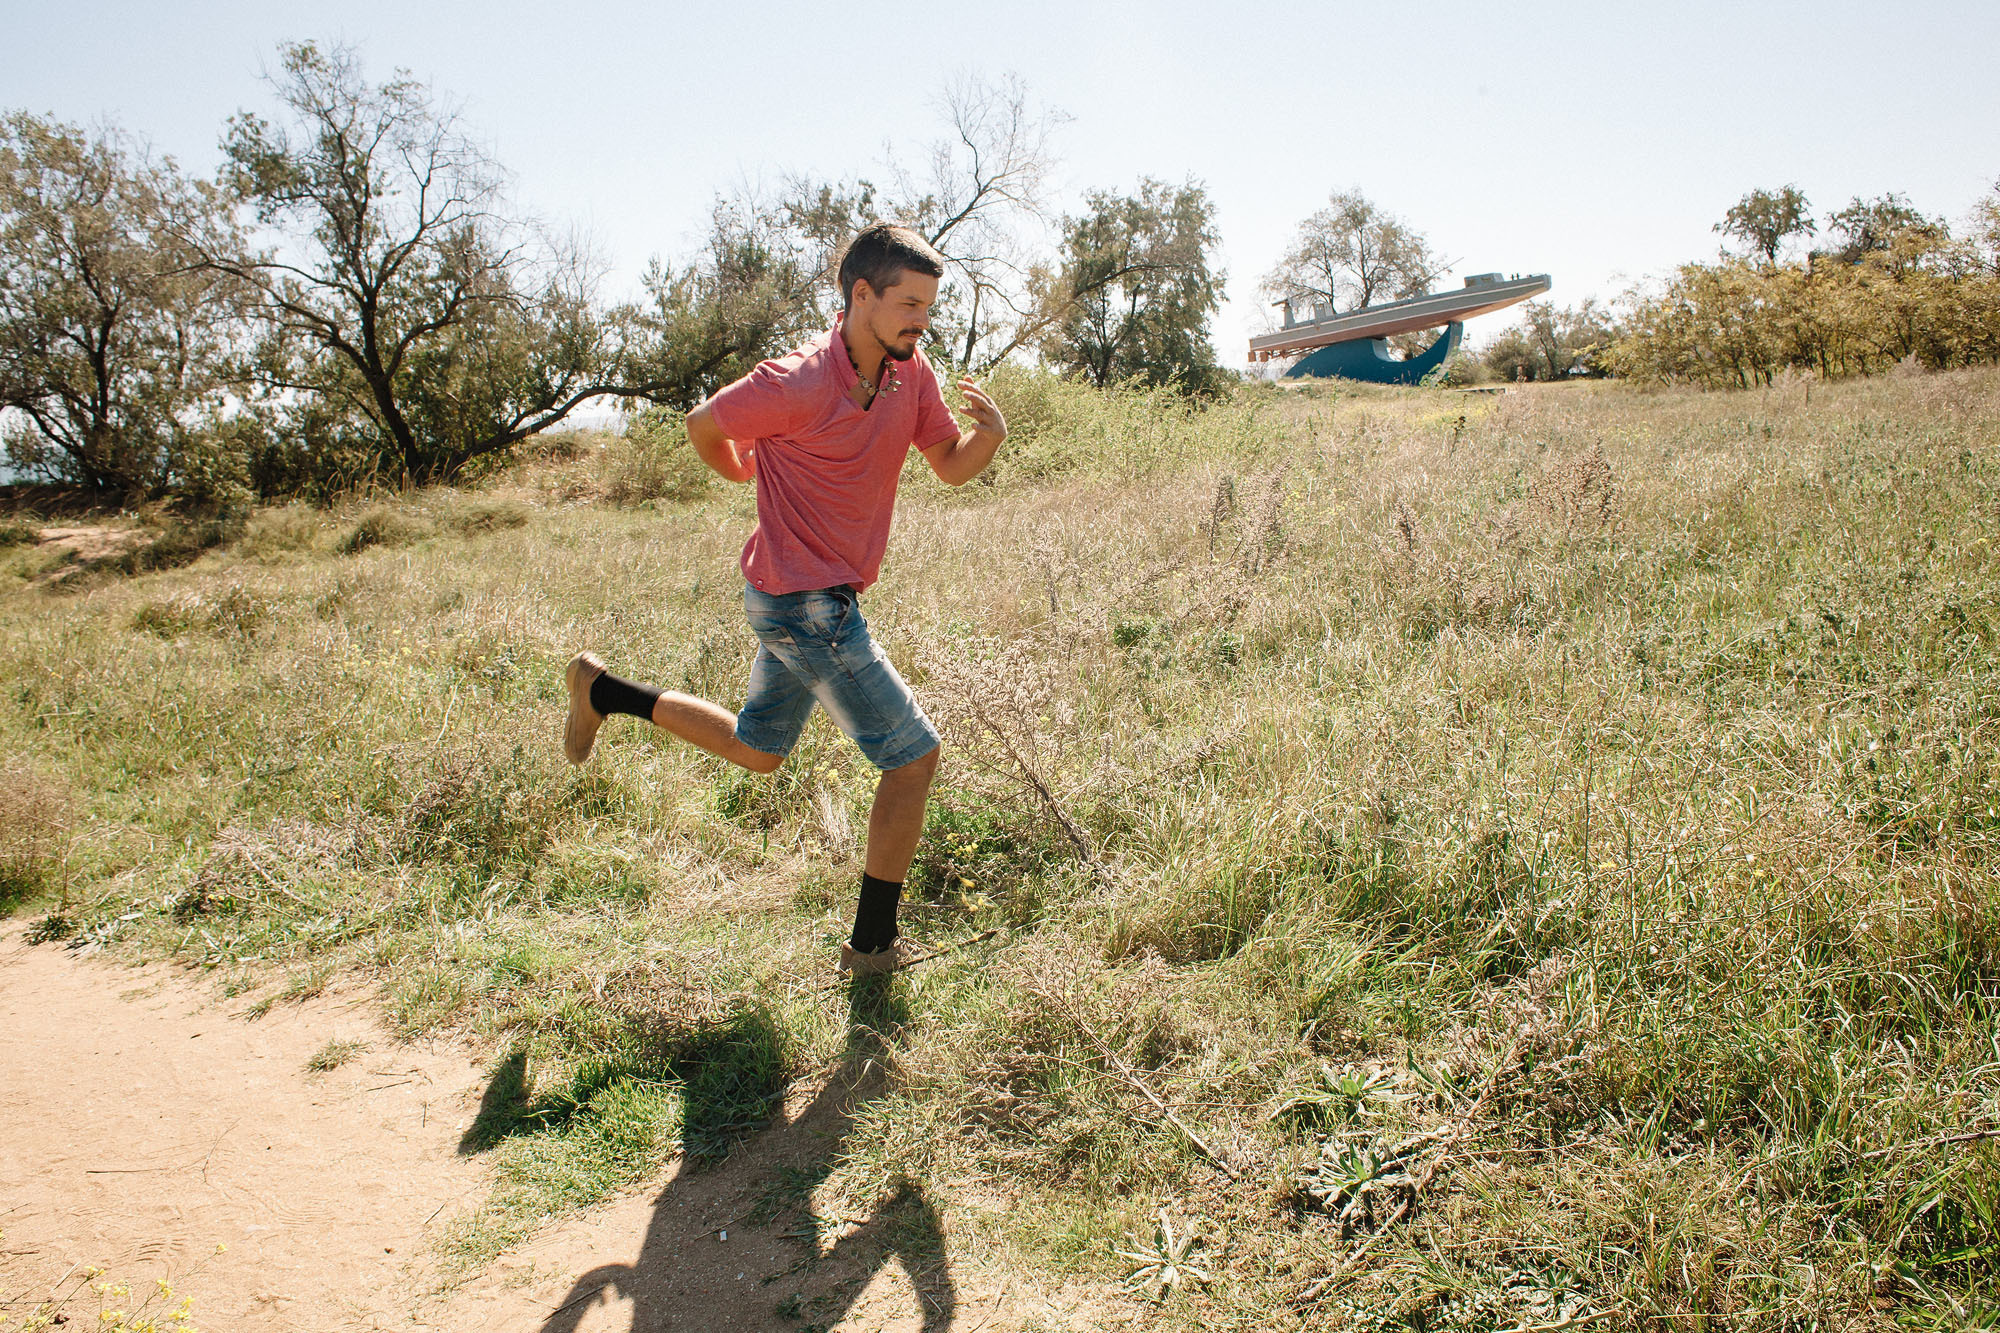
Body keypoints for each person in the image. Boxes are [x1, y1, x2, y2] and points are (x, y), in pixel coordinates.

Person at [561, 222, 1007, 974]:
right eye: (907, 304)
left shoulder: (910, 375)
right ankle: (872, 949)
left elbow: (949, 464)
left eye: (928, 307)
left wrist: (987, 437)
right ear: (860, 295)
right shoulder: (795, 381)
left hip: (804, 598)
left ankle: (602, 690)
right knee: (913, 758)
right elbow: (703, 423)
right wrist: (739, 470)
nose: (920, 321)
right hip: (803, 603)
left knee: (757, 750)